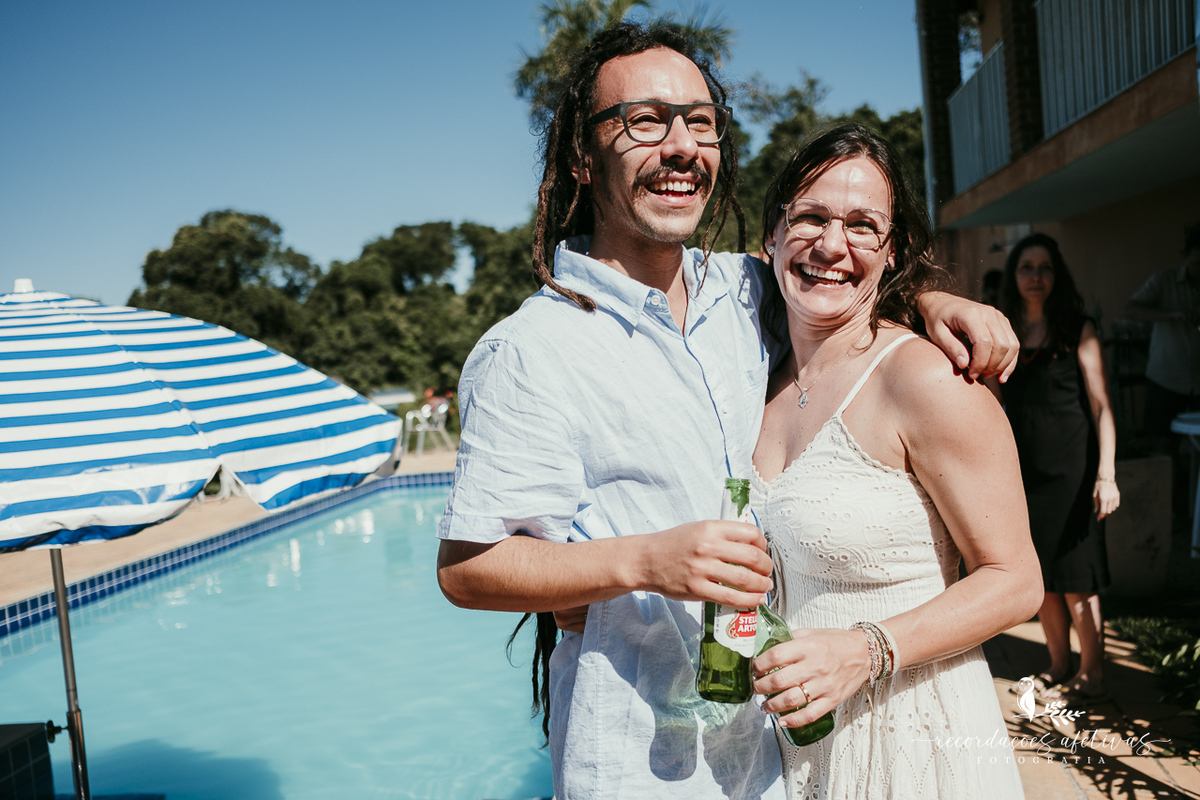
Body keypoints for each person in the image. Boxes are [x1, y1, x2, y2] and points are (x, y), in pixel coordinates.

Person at [435, 23, 1019, 799]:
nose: (681, 144)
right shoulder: (533, 349)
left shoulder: (738, 293)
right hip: (642, 765)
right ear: (582, 154)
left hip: (777, 756)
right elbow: (468, 569)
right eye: (645, 120)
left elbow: (832, 271)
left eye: (701, 122)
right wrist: (641, 562)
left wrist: (933, 298)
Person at [748, 125, 1040, 799]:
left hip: (913, 741)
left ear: (894, 248)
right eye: (810, 217)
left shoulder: (926, 380)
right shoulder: (753, 374)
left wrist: (866, 650)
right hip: (792, 753)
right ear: (770, 236)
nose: (830, 245)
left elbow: (1017, 580)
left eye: (861, 225)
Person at [991, 233, 1120, 706]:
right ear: (1015, 275)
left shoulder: (1077, 329)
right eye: (1027, 267)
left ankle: (1094, 672)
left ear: (1056, 274)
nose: (1036, 276)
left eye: (1045, 267)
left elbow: (1102, 406)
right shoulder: (1005, 333)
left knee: (1078, 578)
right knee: (1043, 577)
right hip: (1025, 475)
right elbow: (995, 405)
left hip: (1074, 473)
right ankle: (1059, 664)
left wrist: (1106, 475)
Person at [1123, 223, 1200, 528]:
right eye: (1196, 263)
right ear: (1186, 258)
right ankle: (1165, 512)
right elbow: (1130, 309)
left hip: (1198, 381)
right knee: (1163, 448)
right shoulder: (1164, 281)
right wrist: (1172, 316)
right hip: (1167, 378)